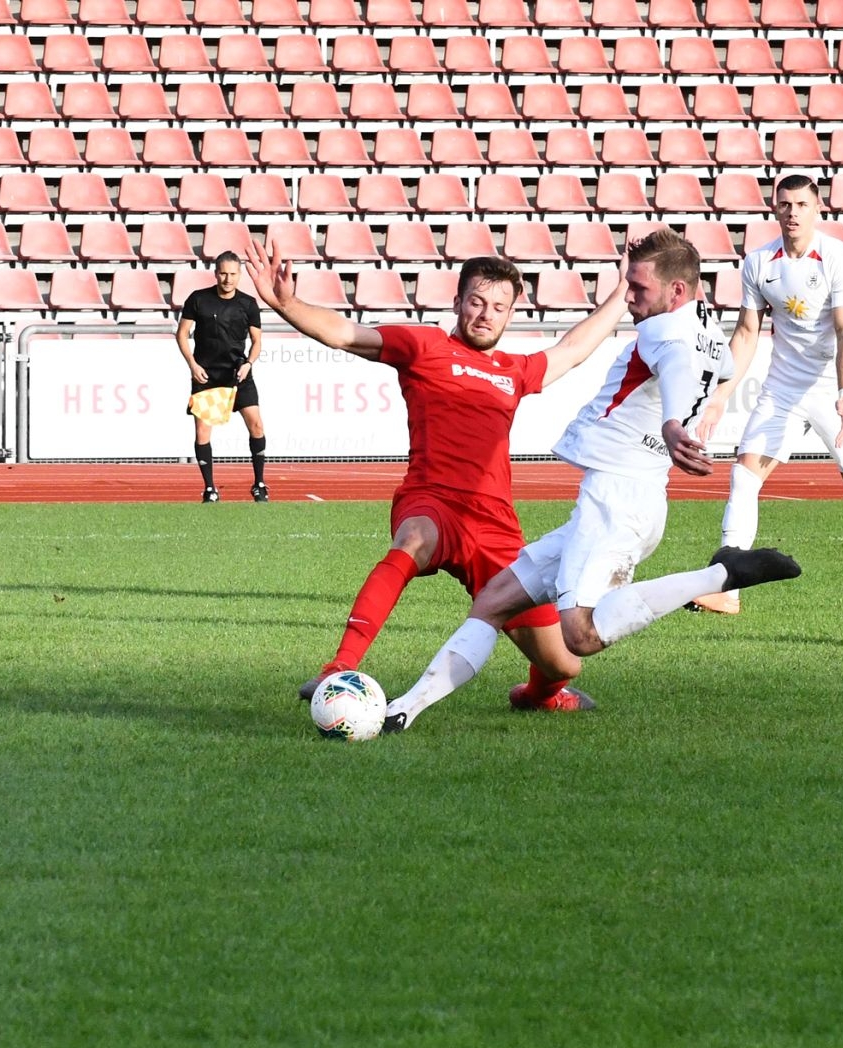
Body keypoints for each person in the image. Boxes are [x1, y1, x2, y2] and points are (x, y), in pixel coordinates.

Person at [381, 229, 804, 735]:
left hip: (618, 501)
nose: (630, 298)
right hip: (627, 495)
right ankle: (403, 710)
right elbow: (722, 363)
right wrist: (692, 411)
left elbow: (671, 364)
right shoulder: (704, 331)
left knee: (579, 635)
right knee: (494, 599)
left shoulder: (663, 332)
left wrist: (673, 422)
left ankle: (721, 575)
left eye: (639, 288)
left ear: (676, 293)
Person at [242, 239, 623, 714]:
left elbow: (573, 349)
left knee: (563, 663)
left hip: (495, 526)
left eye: (499, 307)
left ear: (509, 315)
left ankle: (537, 697)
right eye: (478, 302)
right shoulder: (423, 345)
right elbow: (345, 333)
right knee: (414, 540)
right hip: (432, 500)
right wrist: (287, 304)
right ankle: (339, 667)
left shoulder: (514, 370)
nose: (486, 314)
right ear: (458, 301)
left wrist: (623, 289)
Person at [689, 173, 843, 615]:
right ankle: (727, 588)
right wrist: (720, 395)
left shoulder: (839, 259)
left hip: (830, 389)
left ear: (817, 209)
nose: (793, 213)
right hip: (782, 389)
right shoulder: (758, 262)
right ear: (775, 208)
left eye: (802, 205)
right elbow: (747, 333)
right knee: (744, 474)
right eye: (785, 204)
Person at [177, 251, 268, 502]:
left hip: (238, 373)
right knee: (203, 433)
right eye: (223, 273)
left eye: (233, 274)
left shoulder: (248, 304)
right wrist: (193, 365)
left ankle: (259, 484)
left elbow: (257, 341)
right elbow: (182, 334)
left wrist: (249, 363)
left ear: (239, 275)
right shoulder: (198, 299)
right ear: (216, 273)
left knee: (257, 425)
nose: (228, 279)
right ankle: (209, 488)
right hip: (207, 376)